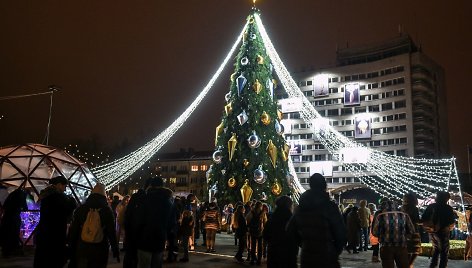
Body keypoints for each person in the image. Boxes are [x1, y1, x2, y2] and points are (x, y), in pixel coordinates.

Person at [287, 173, 347, 268]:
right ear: (324, 185)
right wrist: (335, 251)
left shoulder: (301, 208)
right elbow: (340, 232)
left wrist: (304, 243)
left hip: (308, 256)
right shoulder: (330, 206)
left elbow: (291, 231)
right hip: (327, 255)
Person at [68, 183, 120, 268]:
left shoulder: (82, 208)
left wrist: (71, 246)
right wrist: (115, 250)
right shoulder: (107, 211)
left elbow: (74, 230)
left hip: (82, 246)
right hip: (100, 248)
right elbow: (111, 232)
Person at [34, 176, 76, 268]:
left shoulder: (45, 195)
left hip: (44, 230)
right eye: (64, 187)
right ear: (59, 185)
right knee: (54, 258)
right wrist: (72, 202)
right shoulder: (59, 197)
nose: (64, 190)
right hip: (56, 231)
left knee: (43, 256)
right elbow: (67, 211)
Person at [136, 177, 176, 268]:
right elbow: (172, 223)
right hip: (159, 239)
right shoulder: (168, 202)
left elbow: (138, 219)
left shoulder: (144, 199)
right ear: (162, 186)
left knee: (144, 265)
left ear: (151, 185)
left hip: (144, 239)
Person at [372, 198, 415, 268]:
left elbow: (374, 232)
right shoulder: (403, 214)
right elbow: (411, 230)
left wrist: (383, 234)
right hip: (401, 246)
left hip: (386, 246)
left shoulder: (379, 214)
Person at [421, 191, 456, 268]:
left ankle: (432, 266)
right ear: (446, 199)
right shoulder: (448, 208)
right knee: (444, 252)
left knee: (436, 250)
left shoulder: (431, 206)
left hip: (432, 231)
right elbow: (451, 221)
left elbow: (423, 218)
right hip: (443, 232)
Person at [263, 195, 297, 268]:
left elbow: (265, 234)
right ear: (289, 205)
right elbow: (297, 235)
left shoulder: (272, 217)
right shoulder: (291, 218)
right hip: (288, 253)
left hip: (273, 251)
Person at [0, 188, 27, 257]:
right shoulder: (23, 194)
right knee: (14, 234)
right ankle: (14, 250)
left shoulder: (11, 196)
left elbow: (4, 206)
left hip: (6, 218)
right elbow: (25, 208)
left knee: (6, 234)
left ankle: (6, 252)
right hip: (14, 218)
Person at [400, 193, 421, 268]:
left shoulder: (402, 208)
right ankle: (409, 264)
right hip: (414, 230)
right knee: (416, 249)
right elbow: (416, 220)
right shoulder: (414, 208)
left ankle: (407, 264)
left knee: (407, 249)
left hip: (404, 230)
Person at [246, 201, 267, 265]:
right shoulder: (263, 213)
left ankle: (252, 260)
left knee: (253, 245)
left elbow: (247, 219)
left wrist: (249, 227)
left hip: (252, 231)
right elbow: (265, 221)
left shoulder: (252, 212)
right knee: (260, 246)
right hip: (260, 232)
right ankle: (259, 260)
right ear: (261, 206)